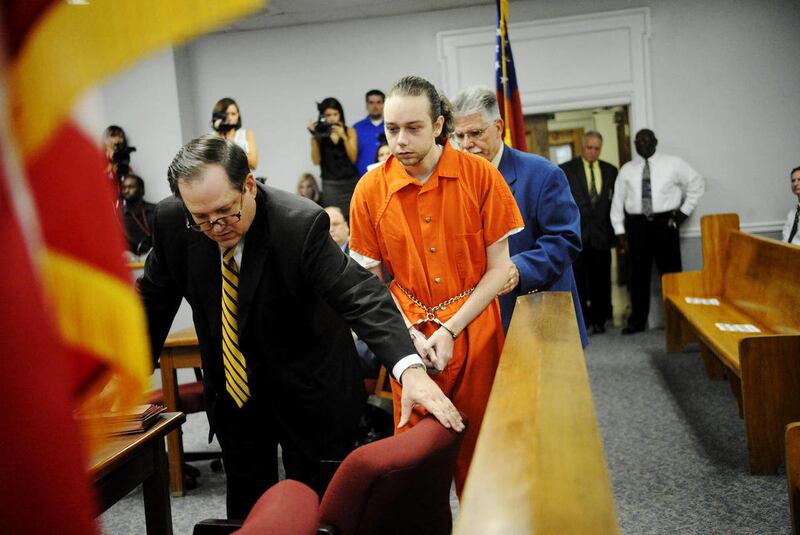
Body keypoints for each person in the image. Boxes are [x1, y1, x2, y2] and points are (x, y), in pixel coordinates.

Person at [138, 135, 462, 519]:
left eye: (226, 211)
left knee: (319, 510)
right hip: (236, 391)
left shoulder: (298, 224)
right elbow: (152, 303)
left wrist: (409, 369)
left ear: (248, 186)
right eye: (202, 218)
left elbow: (360, 294)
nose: (216, 226)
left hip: (312, 387)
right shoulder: (173, 222)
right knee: (247, 509)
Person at [349, 76, 524, 496]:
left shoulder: (479, 176)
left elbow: (500, 270)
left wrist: (449, 329)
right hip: (406, 335)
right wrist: (407, 336)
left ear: (439, 125)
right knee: (413, 469)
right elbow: (372, 285)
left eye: (414, 128)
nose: (402, 140)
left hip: (476, 328)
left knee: (483, 461)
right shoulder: (370, 190)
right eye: (393, 130)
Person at [451, 87, 587, 346]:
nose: (467, 144)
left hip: (539, 310)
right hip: (479, 320)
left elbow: (566, 238)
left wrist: (519, 268)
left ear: (499, 127)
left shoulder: (543, 174)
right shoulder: (454, 181)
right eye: (460, 136)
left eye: (476, 133)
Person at [611, 128, 705, 334]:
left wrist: (683, 212)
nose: (642, 144)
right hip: (636, 226)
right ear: (635, 144)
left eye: (646, 140)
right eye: (638, 141)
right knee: (638, 276)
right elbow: (617, 201)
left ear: (655, 142)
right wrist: (620, 231)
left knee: (671, 275)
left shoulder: (674, 163)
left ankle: (678, 322)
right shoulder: (627, 169)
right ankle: (637, 322)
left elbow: (697, 183)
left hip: (665, 224)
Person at [560, 131, 618, 335]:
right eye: (589, 148)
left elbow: (615, 204)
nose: (593, 152)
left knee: (602, 281)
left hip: (602, 236)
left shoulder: (611, 171)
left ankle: (600, 320)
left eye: (597, 148)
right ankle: (582, 321)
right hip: (576, 237)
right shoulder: (565, 170)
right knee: (580, 282)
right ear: (582, 147)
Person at [308, 97, 359, 219]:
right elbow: (316, 161)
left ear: (340, 114)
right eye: (328, 115)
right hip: (330, 184)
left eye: (335, 114)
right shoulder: (319, 135)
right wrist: (315, 136)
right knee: (333, 219)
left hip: (350, 182)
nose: (332, 118)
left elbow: (353, 158)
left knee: (354, 218)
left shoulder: (349, 131)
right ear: (323, 116)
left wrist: (344, 137)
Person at [212, 97, 258, 170]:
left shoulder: (247, 134)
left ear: (238, 115)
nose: (230, 118)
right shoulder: (212, 138)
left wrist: (231, 144)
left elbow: (253, 164)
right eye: (226, 114)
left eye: (233, 114)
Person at [120, 174, 156, 256]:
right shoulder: (118, 216)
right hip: (130, 262)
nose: (126, 191)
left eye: (131, 187)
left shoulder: (156, 211)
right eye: (124, 188)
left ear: (142, 190)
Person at [352, 89, 386, 177]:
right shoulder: (356, 128)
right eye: (371, 102)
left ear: (384, 104)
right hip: (363, 178)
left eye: (379, 102)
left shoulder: (392, 126)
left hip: (389, 177)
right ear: (367, 105)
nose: (375, 106)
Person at [783, 166, 800, 245]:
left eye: (799, 180)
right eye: (793, 180)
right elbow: (785, 239)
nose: (795, 183)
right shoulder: (792, 213)